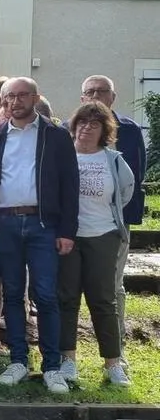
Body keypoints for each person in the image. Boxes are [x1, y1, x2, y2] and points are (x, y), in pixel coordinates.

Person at [0, 77, 79, 394]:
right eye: (9, 97)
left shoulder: (56, 136)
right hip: (5, 224)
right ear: (3, 101)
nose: (15, 102)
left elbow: (70, 186)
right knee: (11, 293)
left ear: (35, 98)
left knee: (46, 296)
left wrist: (66, 230)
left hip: (42, 224)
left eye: (22, 96)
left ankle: (52, 366)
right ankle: (18, 361)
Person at [58, 102, 135, 387]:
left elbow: (125, 192)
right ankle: (68, 360)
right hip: (69, 236)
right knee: (66, 298)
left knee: (103, 300)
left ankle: (113, 363)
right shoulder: (64, 157)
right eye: (81, 123)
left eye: (94, 124)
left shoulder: (113, 160)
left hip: (103, 235)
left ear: (104, 131)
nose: (86, 129)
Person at [78, 75, 147, 342]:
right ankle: (65, 354)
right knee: (69, 289)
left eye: (102, 91)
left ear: (112, 97)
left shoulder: (128, 130)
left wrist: (121, 217)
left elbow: (134, 178)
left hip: (113, 224)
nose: (95, 96)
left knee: (113, 285)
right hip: (73, 224)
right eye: (90, 92)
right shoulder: (69, 130)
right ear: (82, 97)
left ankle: (116, 347)